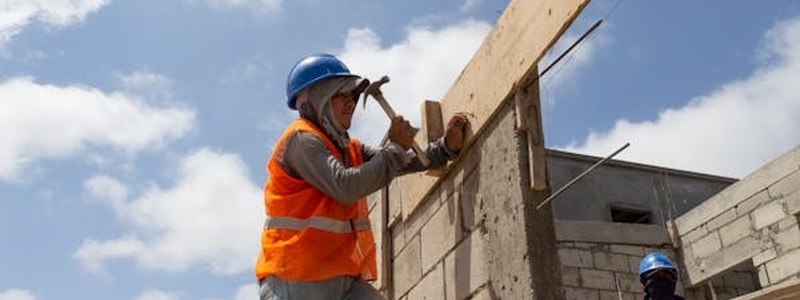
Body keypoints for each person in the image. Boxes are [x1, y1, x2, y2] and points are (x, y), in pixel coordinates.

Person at [254, 53, 469, 300]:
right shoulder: (301, 140)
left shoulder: (348, 148)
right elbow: (345, 186)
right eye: (340, 95)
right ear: (316, 100)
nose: (351, 103)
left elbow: (397, 163)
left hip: (342, 278)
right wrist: (396, 147)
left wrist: (444, 149)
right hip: (294, 279)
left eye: (353, 96)